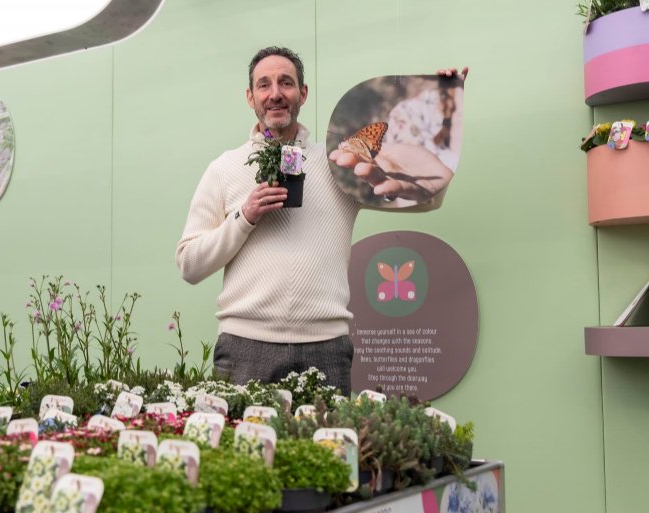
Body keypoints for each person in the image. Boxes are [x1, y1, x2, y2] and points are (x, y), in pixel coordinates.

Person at [176, 46, 466, 394]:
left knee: (329, 450)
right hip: (244, 346)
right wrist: (244, 216)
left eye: (286, 83)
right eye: (264, 85)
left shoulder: (337, 162)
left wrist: (446, 103)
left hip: (326, 347)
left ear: (303, 93)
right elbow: (189, 266)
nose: (275, 93)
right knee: (243, 451)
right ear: (250, 96)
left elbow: (426, 202)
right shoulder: (224, 169)